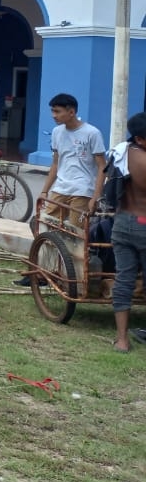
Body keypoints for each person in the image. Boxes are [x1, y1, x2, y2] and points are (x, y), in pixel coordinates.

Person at [35, 92, 106, 235]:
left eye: (57, 111)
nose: (53, 115)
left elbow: (102, 166)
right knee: (46, 226)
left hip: (83, 191)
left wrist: (96, 197)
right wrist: (44, 191)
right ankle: (52, 257)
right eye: (52, 111)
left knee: (75, 234)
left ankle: (74, 258)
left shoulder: (92, 133)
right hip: (60, 188)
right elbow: (55, 163)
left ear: (71, 112)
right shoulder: (56, 132)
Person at [111, 112, 146, 352]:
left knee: (124, 280)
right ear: (141, 139)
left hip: (122, 222)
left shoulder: (122, 152)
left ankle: (122, 340)